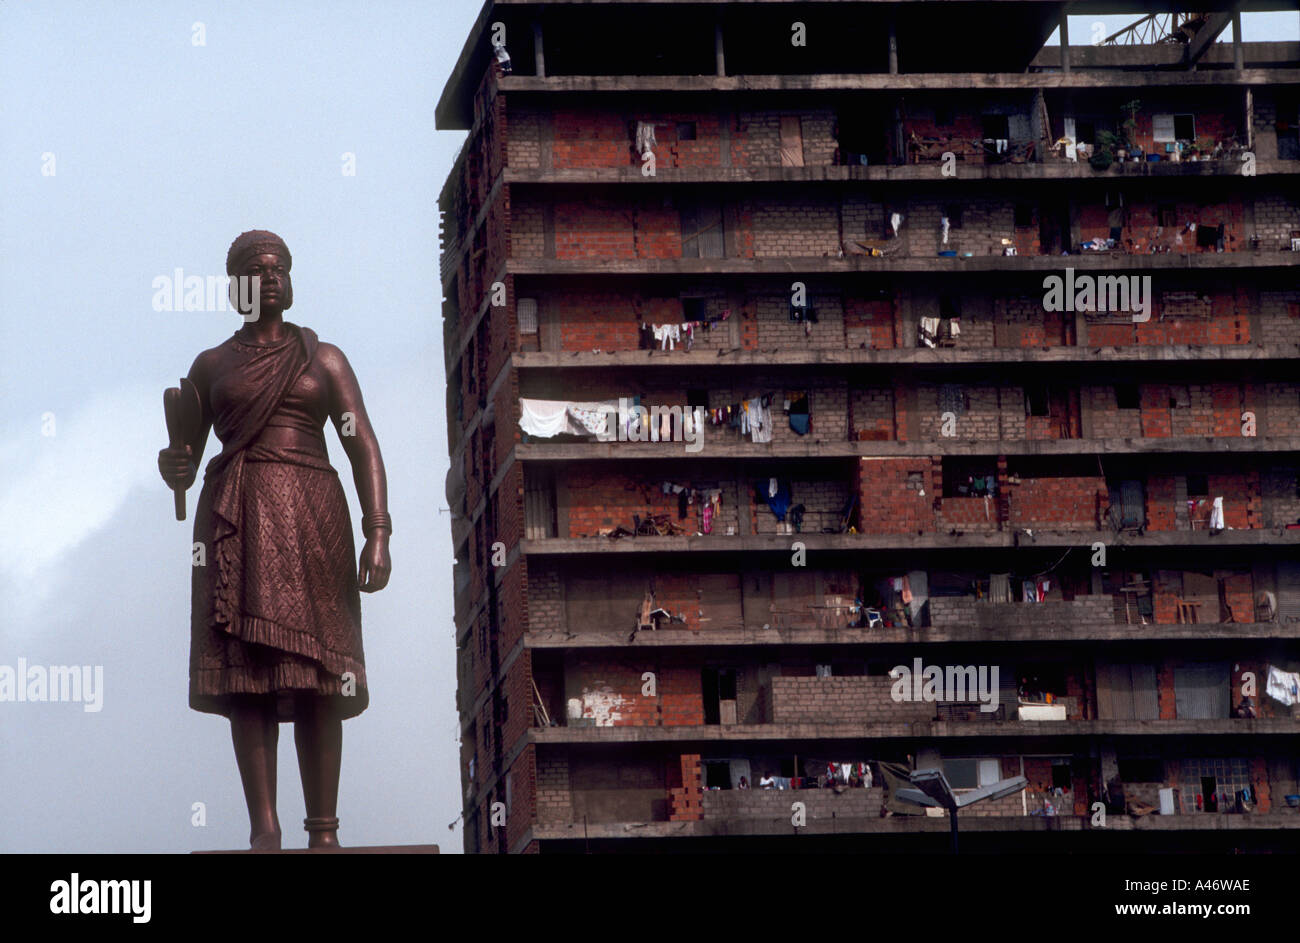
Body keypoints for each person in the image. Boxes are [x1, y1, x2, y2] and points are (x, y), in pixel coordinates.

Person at [158, 231, 391, 850]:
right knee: (248, 676)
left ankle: (325, 832)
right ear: (237, 286)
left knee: (320, 673)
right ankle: (265, 829)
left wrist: (379, 530)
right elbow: (186, 447)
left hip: (315, 516)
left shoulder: (325, 359)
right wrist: (174, 466)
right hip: (238, 515)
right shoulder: (212, 366)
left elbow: (360, 441)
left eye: (281, 267)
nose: (274, 277)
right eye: (259, 270)